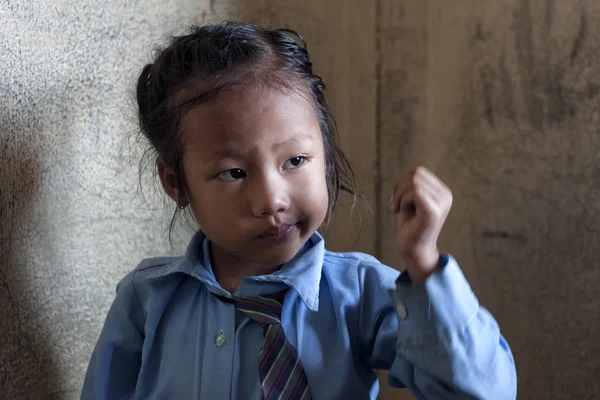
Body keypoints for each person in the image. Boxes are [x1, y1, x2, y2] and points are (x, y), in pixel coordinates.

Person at [81, 21, 517, 400]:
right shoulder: (146, 301)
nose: (271, 200)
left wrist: (424, 262)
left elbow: (484, 392)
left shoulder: (361, 294)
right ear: (175, 183)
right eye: (233, 172)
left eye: (295, 161)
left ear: (324, 155)